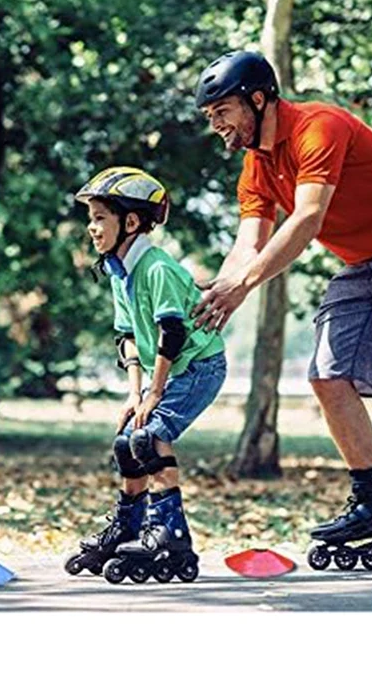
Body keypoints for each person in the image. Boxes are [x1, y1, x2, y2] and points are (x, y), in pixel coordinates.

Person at [192, 50, 372, 571]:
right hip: (362, 264)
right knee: (330, 377)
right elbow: (248, 244)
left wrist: (244, 283)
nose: (215, 124)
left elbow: (308, 219)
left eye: (222, 111)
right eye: (210, 115)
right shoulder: (255, 166)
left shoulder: (319, 127)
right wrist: (220, 289)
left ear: (257, 98)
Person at [64, 166, 227, 583]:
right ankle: (129, 528)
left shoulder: (156, 268)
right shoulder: (119, 269)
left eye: (100, 217)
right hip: (168, 371)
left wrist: (155, 392)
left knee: (149, 439)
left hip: (200, 365)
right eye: (91, 219)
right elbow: (128, 338)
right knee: (126, 443)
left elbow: (171, 333)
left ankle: (171, 535)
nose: (92, 228)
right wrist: (135, 395)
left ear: (131, 222)